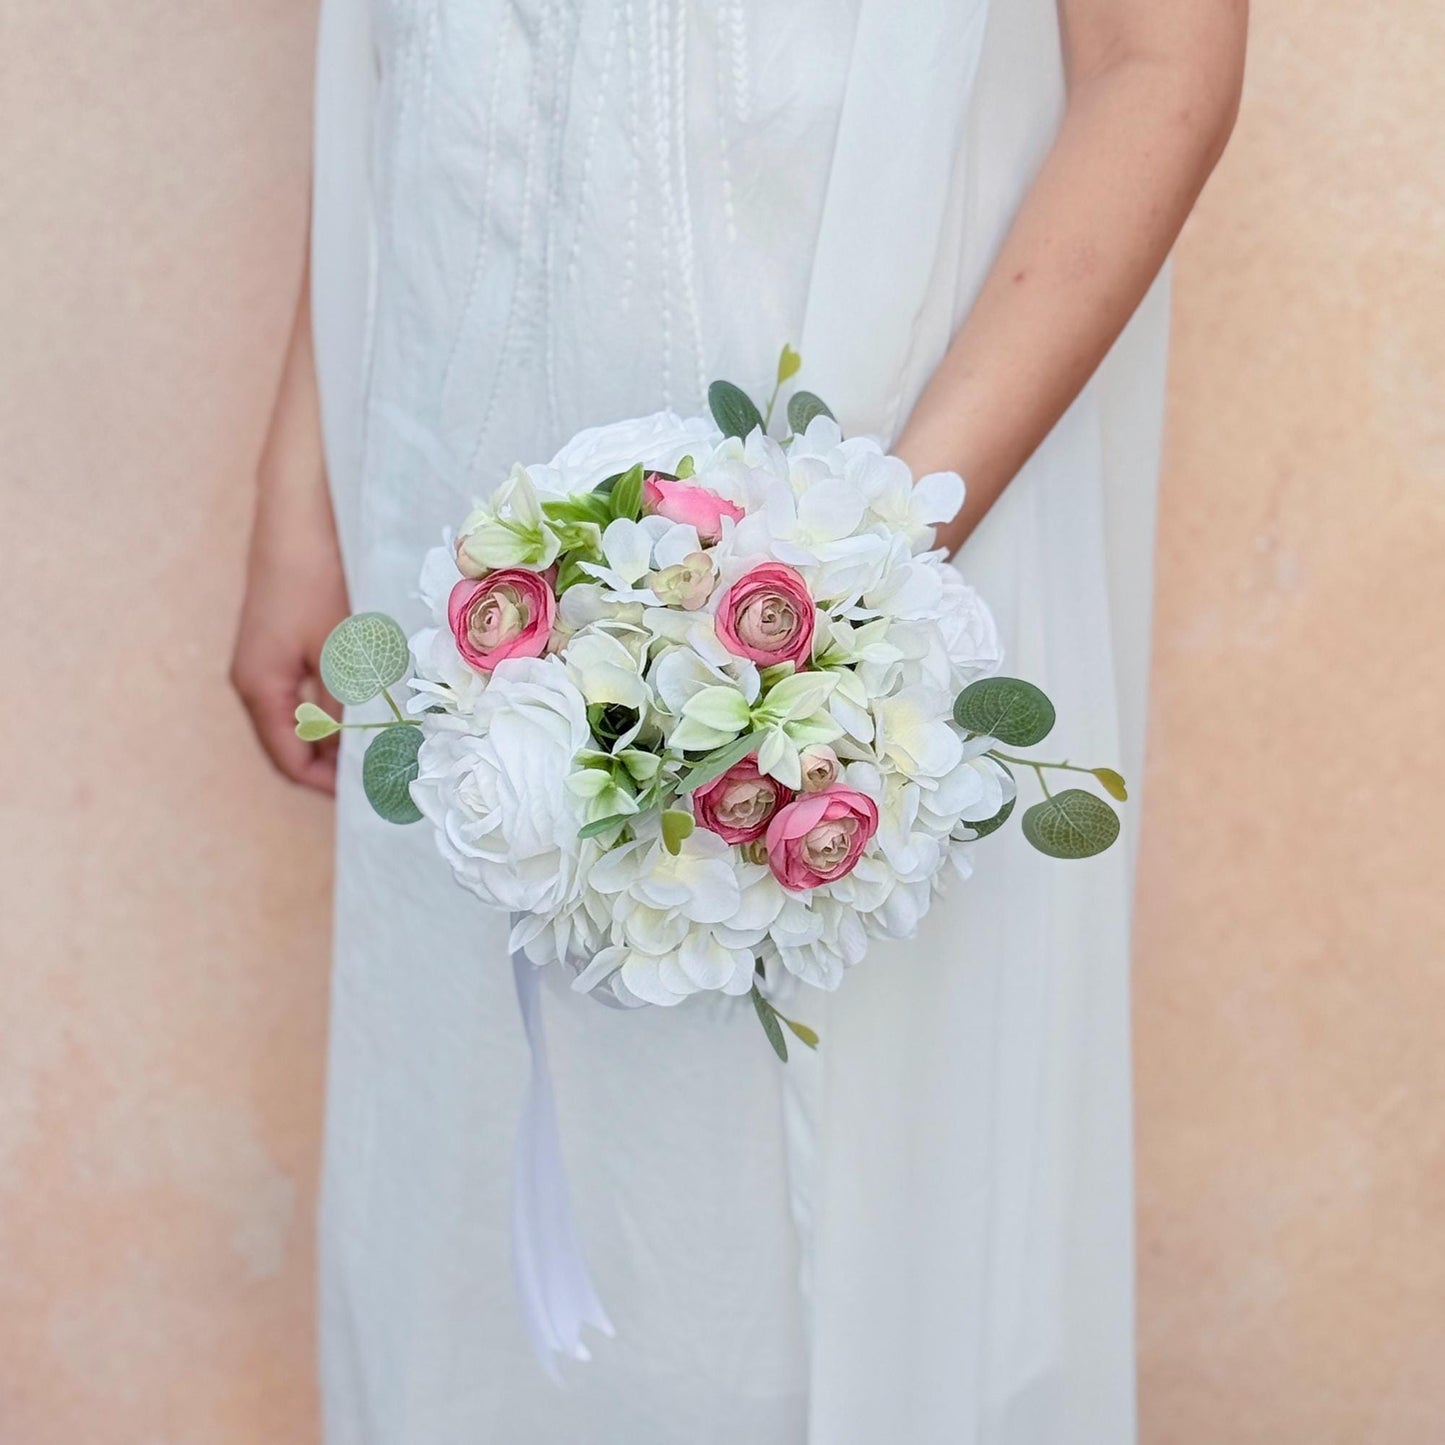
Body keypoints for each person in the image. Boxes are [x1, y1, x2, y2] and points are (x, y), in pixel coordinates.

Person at [231, 1, 1246, 1440]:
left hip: (885, 488)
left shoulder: (864, 576)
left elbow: (1161, 68)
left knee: (822, 1209)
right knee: (473, 1189)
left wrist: (853, 582)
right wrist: (307, 477)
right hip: (455, 494)